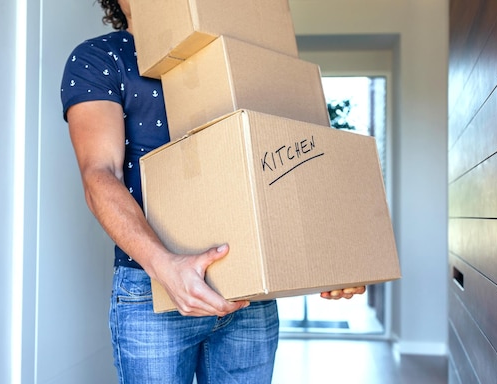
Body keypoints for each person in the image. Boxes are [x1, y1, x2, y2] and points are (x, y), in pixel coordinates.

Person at [60, 1, 366, 383]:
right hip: (152, 286)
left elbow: (287, 162)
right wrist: (165, 267)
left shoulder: (238, 53)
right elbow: (99, 174)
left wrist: (331, 255)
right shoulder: (101, 57)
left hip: (250, 289)